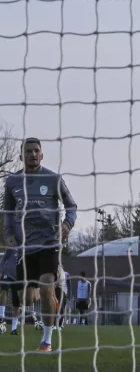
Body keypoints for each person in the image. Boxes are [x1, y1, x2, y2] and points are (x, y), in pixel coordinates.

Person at [3, 138, 78, 352]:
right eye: (28, 151)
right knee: (25, 299)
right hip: (25, 247)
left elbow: (71, 205)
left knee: (46, 288)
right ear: (21, 156)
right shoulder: (12, 182)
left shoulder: (53, 179)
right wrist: (8, 236)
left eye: (36, 151)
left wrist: (67, 223)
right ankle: (43, 292)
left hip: (49, 243)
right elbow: (7, 214)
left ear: (42, 155)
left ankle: (46, 341)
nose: (33, 154)